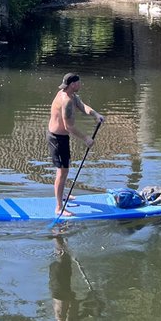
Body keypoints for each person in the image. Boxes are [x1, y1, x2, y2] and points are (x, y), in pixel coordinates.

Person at [48, 73, 105, 217]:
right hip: (57, 138)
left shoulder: (70, 95)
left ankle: (63, 195)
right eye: (79, 83)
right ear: (73, 84)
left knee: (64, 170)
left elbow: (82, 105)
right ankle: (59, 207)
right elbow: (69, 127)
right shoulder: (66, 100)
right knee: (62, 172)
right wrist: (86, 138)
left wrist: (95, 114)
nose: (81, 85)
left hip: (62, 137)